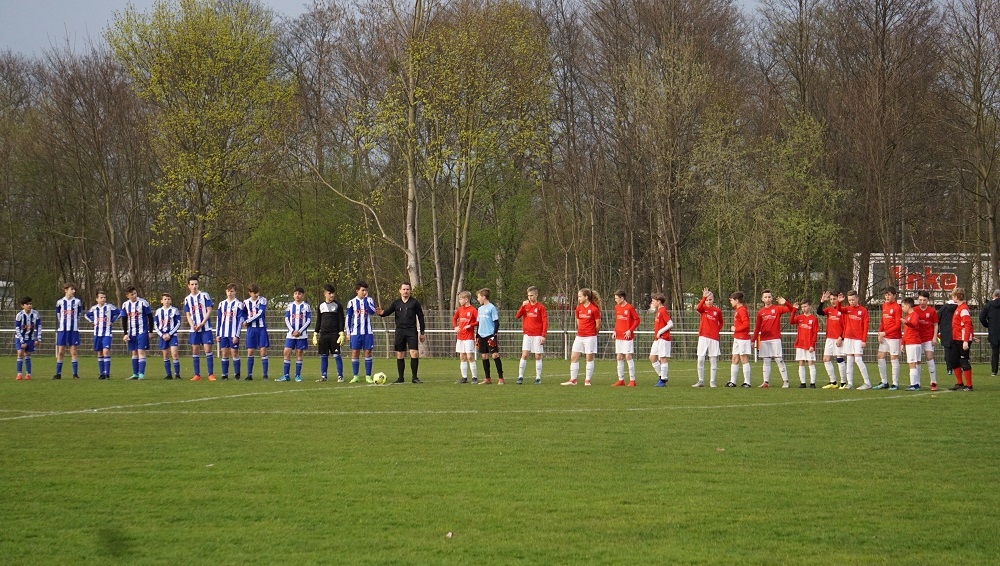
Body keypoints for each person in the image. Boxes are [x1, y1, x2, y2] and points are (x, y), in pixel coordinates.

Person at [377, 282, 426, 384]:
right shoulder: (396, 303)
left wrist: (422, 332)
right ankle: (400, 378)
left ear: (410, 290)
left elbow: (421, 317)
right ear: (400, 291)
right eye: (403, 289)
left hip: (411, 330)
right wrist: (381, 313)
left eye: (407, 289)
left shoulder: (415, 302)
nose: (405, 291)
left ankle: (414, 377)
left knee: (414, 353)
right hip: (400, 331)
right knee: (400, 354)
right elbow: (387, 312)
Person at [752, 289, 795, 388]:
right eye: (765, 297)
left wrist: (786, 303)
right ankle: (765, 382)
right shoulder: (760, 312)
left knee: (779, 359)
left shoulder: (777, 309)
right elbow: (757, 327)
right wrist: (753, 339)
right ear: (762, 299)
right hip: (764, 339)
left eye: (769, 297)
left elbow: (792, 309)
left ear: (772, 298)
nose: (768, 299)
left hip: (775, 338)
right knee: (766, 361)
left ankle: (786, 381)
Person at [563, 289, 601, 386]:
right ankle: (573, 380)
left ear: (586, 297)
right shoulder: (579, 308)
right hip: (579, 336)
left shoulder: (594, 309)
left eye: (580, 296)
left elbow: (598, 324)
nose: (578, 298)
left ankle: (587, 380)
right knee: (573, 357)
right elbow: (578, 322)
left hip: (590, 337)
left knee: (589, 358)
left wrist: (593, 333)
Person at [839, 290, 873, 390]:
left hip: (858, 338)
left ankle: (867, 382)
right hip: (848, 338)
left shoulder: (863, 310)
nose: (851, 302)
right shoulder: (847, 309)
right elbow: (839, 309)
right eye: (849, 300)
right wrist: (839, 302)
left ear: (857, 298)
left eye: (853, 299)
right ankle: (850, 383)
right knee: (849, 360)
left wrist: (864, 340)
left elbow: (866, 326)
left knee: (858, 359)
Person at [85, 290, 121, 380]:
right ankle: (102, 373)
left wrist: (112, 320)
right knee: (100, 353)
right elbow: (86, 315)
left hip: (107, 333)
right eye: (101, 297)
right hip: (97, 334)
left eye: (104, 297)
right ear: (97, 299)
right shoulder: (94, 308)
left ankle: (107, 373)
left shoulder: (109, 307)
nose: (103, 299)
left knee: (106, 351)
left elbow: (120, 312)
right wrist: (92, 321)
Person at [184, 276, 215, 381]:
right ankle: (197, 374)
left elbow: (209, 310)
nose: (194, 286)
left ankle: (210, 374)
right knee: (195, 349)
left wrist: (202, 323)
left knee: (207, 349)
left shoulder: (204, 295)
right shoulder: (187, 299)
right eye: (192, 284)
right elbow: (188, 315)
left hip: (205, 327)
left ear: (198, 285)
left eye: (196, 284)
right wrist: (192, 325)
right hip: (194, 329)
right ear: (188, 286)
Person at [515, 286, 547, 385]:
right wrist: (522, 306)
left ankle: (538, 377)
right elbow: (517, 316)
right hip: (527, 335)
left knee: (537, 356)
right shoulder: (525, 306)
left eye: (531, 295)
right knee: (524, 355)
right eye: (528, 295)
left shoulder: (541, 307)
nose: (529, 297)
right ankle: (520, 376)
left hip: (537, 335)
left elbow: (545, 321)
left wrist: (543, 335)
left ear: (536, 295)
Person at [346, 281, 377, 383]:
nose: (364, 292)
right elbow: (348, 317)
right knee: (355, 352)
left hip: (367, 332)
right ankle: (356, 376)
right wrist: (348, 332)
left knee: (368, 352)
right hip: (355, 332)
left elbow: (372, 311)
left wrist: (366, 300)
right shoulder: (351, 302)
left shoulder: (369, 300)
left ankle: (368, 376)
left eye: (365, 290)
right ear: (357, 291)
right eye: (362, 290)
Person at [278, 287, 311, 382]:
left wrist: (299, 331)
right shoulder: (289, 306)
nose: (297, 295)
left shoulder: (306, 306)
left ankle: (297, 375)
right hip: (290, 335)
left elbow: (308, 320)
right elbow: (286, 319)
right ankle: (286, 375)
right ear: (293, 295)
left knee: (299, 353)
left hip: (302, 335)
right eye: (296, 293)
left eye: (300, 294)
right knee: (286, 352)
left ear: (303, 295)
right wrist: (292, 331)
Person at [121, 286, 153, 380]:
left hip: (142, 331)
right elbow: (124, 319)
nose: (134, 295)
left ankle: (141, 374)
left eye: (135, 293)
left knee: (141, 351)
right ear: (127, 296)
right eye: (132, 294)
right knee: (134, 352)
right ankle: (135, 374)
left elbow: (150, 317)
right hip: (131, 332)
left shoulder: (143, 303)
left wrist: (150, 332)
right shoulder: (125, 305)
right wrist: (125, 333)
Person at [315, 284, 345, 382]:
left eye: (333, 293)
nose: (332, 295)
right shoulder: (320, 306)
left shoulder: (338, 305)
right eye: (330, 293)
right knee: (323, 355)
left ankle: (340, 376)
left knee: (336, 355)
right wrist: (315, 333)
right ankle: (324, 376)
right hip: (324, 334)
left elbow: (341, 320)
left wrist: (341, 333)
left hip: (334, 334)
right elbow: (318, 320)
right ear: (325, 294)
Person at [216, 283, 246, 380]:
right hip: (223, 333)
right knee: (224, 353)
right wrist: (217, 334)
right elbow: (219, 319)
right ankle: (224, 374)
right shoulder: (221, 304)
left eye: (232, 291)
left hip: (233, 333)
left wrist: (237, 335)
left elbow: (240, 320)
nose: (230, 293)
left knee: (234, 353)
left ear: (235, 292)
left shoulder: (239, 304)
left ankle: (237, 374)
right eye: (228, 291)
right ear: (226, 291)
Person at [694, 288, 723, 388]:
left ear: (713, 300)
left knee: (713, 359)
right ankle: (701, 380)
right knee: (700, 359)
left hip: (713, 338)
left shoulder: (717, 310)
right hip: (703, 337)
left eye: (710, 299)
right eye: (707, 300)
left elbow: (721, 322)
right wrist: (703, 297)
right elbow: (698, 308)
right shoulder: (703, 309)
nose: (708, 301)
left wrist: (716, 330)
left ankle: (712, 381)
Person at [818, 291, 847, 389]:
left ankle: (843, 382)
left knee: (839, 359)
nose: (832, 301)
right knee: (826, 359)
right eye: (831, 299)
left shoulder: (842, 310)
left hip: (838, 338)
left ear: (838, 299)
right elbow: (819, 312)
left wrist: (841, 337)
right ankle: (833, 382)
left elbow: (846, 326)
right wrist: (822, 301)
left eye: (834, 299)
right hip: (829, 338)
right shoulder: (829, 310)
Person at [612, 290, 641, 387]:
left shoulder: (629, 308)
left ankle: (632, 380)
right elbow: (617, 320)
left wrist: (630, 330)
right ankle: (621, 380)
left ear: (622, 298)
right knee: (619, 357)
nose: (615, 300)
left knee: (628, 356)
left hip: (627, 336)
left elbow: (637, 320)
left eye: (616, 298)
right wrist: (615, 331)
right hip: (619, 336)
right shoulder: (616, 307)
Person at [874, 287, 902, 390]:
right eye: (886, 295)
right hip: (885, 336)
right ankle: (884, 381)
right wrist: (879, 333)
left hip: (894, 337)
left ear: (894, 295)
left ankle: (895, 383)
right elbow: (883, 321)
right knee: (880, 356)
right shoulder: (884, 305)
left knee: (893, 358)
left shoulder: (897, 307)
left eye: (889, 295)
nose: (887, 297)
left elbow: (898, 325)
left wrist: (885, 332)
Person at [54, 282, 82, 380]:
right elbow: (58, 316)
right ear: (66, 290)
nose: (73, 291)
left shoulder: (77, 302)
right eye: (71, 289)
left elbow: (78, 315)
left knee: (73, 352)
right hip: (62, 330)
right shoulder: (60, 302)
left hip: (73, 330)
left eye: (74, 289)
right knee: (61, 352)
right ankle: (58, 374)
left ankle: (75, 374)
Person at [476, 288, 504, 384]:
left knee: (495, 355)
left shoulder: (492, 308)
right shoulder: (479, 309)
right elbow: (479, 323)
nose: (477, 299)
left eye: (478, 297)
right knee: (484, 356)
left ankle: (501, 378)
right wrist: (477, 336)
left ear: (484, 297)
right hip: (481, 335)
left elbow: (496, 322)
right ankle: (487, 378)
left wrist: (494, 335)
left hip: (490, 335)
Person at [948, 288, 974, 391]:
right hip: (957, 338)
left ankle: (969, 385)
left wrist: (966, 340)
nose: (952, 297)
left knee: (964, 361)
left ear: (956, 297)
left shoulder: (963, 309)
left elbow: (967, 325)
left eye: (953, 296)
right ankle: (959, 383)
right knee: (954, 360)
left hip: (962, 339)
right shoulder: (959, 308)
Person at [790, 298, 819, 388]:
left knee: (810, 362)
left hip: (809, 345)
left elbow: (815, 333)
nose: (803, 308)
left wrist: (812, 344)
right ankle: (803, 383)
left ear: (810, 306)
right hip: (800, 344)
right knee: (801, 362)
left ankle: (812, 383)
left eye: (805, 306)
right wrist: (794, 310)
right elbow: (791, 321)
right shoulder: (799, 317)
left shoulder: (814, 319)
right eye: (802, 307)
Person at [243, 283, 269, 381]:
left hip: (261, 328)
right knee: (250, 351)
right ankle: (249, 375)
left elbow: (260, 313)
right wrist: (244, 320)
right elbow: (243, 314)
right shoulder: (245, 302)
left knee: (263, 351)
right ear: (249, 293)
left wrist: (247, 321)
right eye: (254, 293)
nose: (256, 294)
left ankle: (265, 375)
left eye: (257, 292)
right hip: (251, 330)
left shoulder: (262, 300)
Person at [452, 291, 479, 384]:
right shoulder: (460, 309)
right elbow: (454, 318)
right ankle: (464, 378)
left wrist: (470, 325)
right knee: (462, 356)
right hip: (460, 336)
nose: (459, 301)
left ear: (466, 299)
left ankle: (474, 377)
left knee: (470, 356)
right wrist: (455, 327)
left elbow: (478, 321)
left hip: (469, 337)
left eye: (461, 299)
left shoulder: (473, 310)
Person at [915, 291, 939, 390]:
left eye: (924, 300)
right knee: (918, 360)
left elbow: (935, 324)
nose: (922, 302)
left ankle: (933, 382)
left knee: (929, 357)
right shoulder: (915, 310)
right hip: (917, 339)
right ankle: (917, 382)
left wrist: (934, 337)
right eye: (920, 300)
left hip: (928, 338)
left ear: (927, 300)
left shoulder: (932, 311)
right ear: (918, 300)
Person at [155, 293, 182, 380]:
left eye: (168, 299)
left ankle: (177, 375)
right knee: (165, 354)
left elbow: (178, 323)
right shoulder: (158, 311)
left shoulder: (174, 310)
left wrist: (169, 334)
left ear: (171, 301)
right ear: (161, 301)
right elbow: (156, 324)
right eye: (165, 299)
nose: (167, 301)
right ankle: (168, 375)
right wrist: (162, 335)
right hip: (162, 336)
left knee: (174, 353)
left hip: (172, 335)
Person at [14, 297, 41, 381]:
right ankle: (19, 374)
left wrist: (38, 338)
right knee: (20, 353)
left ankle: (28, 374)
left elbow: (39, 327)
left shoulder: (36, 314)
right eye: (27, 304)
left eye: (30, 303)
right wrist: (22, 341)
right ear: (23, 306)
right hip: (20, 337)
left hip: (30, 337)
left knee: (28, 354)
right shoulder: (19, 315)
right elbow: (17, 329)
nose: (29, 305)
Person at [649, 292, 673, 387]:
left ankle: (662, 380)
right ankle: (662, 376)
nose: (652, 302)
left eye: (654, 301)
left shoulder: (662, 310)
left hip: (663, 338)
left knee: (663, 358)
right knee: (652, 357)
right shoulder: (658, 311)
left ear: (659, 302)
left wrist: (660, 332)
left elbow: (670, 323)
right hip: (657, 339)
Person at [901, 297, 923, 390]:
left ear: (908, 306)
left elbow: (913, 325)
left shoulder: (914, 315)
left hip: (913, 342)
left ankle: (914, 385)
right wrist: (903, 343)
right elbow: (906, 332)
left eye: (903, 306)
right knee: (916, 363)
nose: (902, 308)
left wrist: (907, 322)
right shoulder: (907, 316)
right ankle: (917, 384)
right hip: (911, 342)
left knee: (912, 363)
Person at [978, 289, 1000, 377]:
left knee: (995, 352)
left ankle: (994, 371)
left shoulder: (988, 305)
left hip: (993, 332)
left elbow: (981, 317)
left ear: (993, 295)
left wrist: (988, 325)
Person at [937, 298, 958, 379]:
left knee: (947, 352)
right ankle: (959, 367)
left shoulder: (943, 309)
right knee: (957, 351)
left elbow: (937, 320)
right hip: (956, 332)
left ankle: (949, 369)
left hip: (945, 333)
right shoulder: (958, 308)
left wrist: (937, 331)